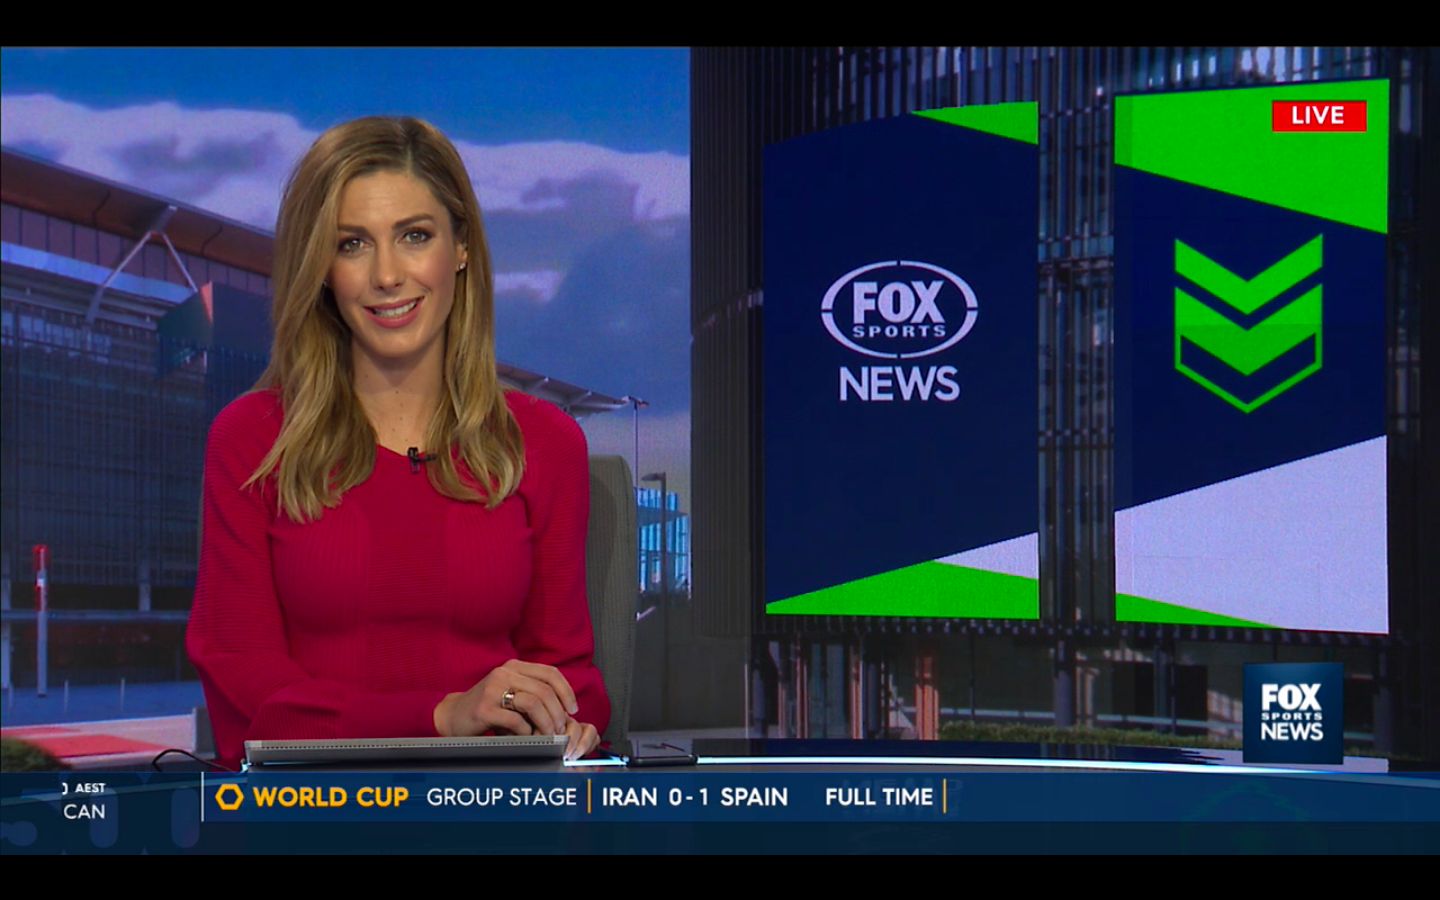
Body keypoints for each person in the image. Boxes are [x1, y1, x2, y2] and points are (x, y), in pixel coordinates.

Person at [186, 116, 609, 770]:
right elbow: (245, 693)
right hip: (308, 804)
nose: (387, 275)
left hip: (488, 802)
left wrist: (569, 724)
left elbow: (568, 672)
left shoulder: (545, 443)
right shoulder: (252, 439)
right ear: (322, 269)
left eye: (415, 236)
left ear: (460, 247)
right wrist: (441, 718)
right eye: (352, 244)